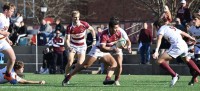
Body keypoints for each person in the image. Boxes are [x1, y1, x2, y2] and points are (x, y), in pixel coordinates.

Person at [62, 16, 129, 86]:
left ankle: (107, 79)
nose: (116, 30)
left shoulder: (118, 33)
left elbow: (120, 42)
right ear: (110, 27)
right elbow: (102, 48)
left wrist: (124, 46)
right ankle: (68, 77)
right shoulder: (104, 34)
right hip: (97, 50)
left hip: (105, 52)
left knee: (114, 64)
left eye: (117, 28)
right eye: (115, 28)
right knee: (84, 66)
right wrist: (113, 49)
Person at [153, 19, 200, 87]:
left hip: (177, 46)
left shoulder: (161, 29)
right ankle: (198, 72)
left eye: (155, 28)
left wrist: (156, 51)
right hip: (184, 45)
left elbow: (159, 38)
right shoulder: (171, 27)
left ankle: (175, 75)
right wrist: (190, 37)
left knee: (159, 61)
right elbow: (183, 33)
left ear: (157, 26)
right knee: (186, 60)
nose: (155, 30)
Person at [63, 10, 96, 80]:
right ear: (72, 17)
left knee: (80, 65)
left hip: (82, 46)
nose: (77, 19)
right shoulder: (69, 27)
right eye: (75, 17)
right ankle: (66, 75)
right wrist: (69, 47)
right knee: (70, 62)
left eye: (78, 17)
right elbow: (67, 39)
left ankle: (69, 76)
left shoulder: (84, 24)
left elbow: (92, 30)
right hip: (73, 45)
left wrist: (94, 40)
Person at [0, 2, 17, 84]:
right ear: (6, 10)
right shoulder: (0, 16)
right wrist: (3, 33)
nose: (12, 13)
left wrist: (7, 39)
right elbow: (3, 32)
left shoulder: (8, 19)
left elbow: (4, 31)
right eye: (11, 11)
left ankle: (7, 74)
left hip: (2, 41)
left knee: (13, 58)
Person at [187, 13, 200, 85]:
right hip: (197, 47)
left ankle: (192, 79)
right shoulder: (191, 28)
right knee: (195, 64)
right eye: (193, 20)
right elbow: (189, 38)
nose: (194, 21)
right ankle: (193, 78)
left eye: (195, 19)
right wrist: (190, 43)